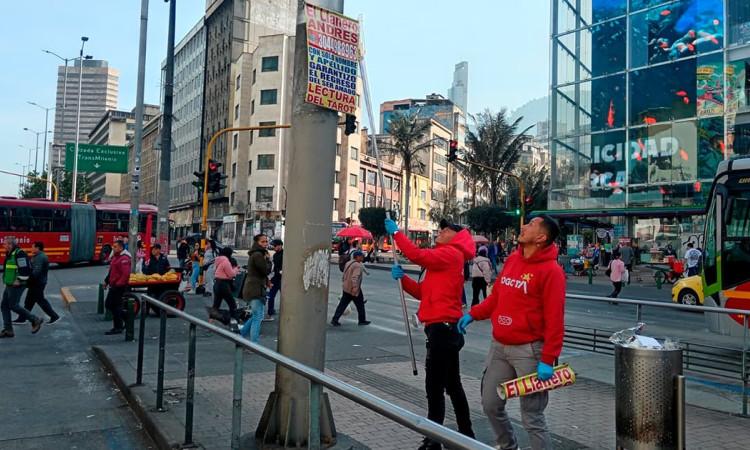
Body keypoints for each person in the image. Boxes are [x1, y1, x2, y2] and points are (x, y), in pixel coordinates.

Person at [458, 215, 564, 450]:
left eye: (531, 225)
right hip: (499, 346)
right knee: (490, 404)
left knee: (532, 416)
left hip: (529, 351)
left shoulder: (552, 271)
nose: (523, 227)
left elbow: (555, 319)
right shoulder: (514, 260)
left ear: (541, 237)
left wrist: (548, 359)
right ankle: (507, 445)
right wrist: (473, 314)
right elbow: (497, 297)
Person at [388, 218, 476, 449]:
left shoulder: (451, 254)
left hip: (443, 330)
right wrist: (403, 280)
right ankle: (464, 434)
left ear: (456, 236)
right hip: (441, 328)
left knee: (435, 387)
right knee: (451, 384)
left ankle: (433, 439)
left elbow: (418, 255)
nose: (441, 231)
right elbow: (423, 293)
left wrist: (397, 234)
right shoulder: (445, 258)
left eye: (445, 229)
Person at [1, 237, 43, 337]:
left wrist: (19, 280)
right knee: (4, 306)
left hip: (17, 284)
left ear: (10, 244)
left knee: (13, 305)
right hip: (9, 284)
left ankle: (35, 319)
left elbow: (25, 269)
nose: (3, 245)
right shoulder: (10, 253)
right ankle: (8, 330)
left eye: (5, 244)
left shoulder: (20, 253)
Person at [15, 241, 60, 325]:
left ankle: (54, 316)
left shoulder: (40, 257)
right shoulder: (37, 256)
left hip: (38, 283)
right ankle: (22, 318)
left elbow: (36, 271)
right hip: (35, 283)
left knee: (40, 300)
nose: (31, 248)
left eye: (32, 247)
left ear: (37, 248)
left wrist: (27, 279)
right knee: (29, 301)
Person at [240, 234, 272, 343]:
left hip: (253, 288)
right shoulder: (258, 255)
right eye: (262, 242)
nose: (265, 244)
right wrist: (268, 260)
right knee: (258, 317)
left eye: (266, 241)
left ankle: (241, 335)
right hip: (255, 289)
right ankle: (254, 344)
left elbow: (259, 273)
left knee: (256, 315)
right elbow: (265, 270)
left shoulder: (255, 254)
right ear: (257, 242)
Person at [331, 250, 370, 326]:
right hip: (353, 288)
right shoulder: (357, 266)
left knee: (342, 305)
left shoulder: (348, 263)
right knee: (360, 304)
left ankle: (335, 319)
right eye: (361, 256)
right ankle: (362, 320)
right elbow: (354, 278)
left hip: (346, 287)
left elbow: (344, 274)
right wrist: (355, 288)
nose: (363, 258)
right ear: (357, 257)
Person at [104, 240, 131, 335]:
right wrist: (106, 281)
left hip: (119, 287)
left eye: (115, 247)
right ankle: (125, 318)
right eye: (113, 246)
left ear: (121, 248)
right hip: (113, 285)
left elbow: (126, 274)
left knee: (115, 306)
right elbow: (111, 271)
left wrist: (118, 284)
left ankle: (118, 326)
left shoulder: (124, 258)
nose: (113, 248)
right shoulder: (115, 257)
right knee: (110, 305)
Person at [212, 246, 240, 326]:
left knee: (216, 305)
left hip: (217, 283)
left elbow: (215, 271)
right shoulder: (226, 261)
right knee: (232, 304)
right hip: (224, 284)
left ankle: (210, 323)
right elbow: (231, 274)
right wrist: (236, 269)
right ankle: (235, 322)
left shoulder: (218, 260)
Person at [266, 239, 284, 319]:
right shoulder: (275, 255)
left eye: (275, 246)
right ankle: (270, 312)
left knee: (284, 297)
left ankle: (286, 313)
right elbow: (274, 267)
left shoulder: (284, 254)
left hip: (282, 279)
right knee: (271, 296)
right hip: (276, 278)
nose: (273, 247)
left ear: (280, 245)